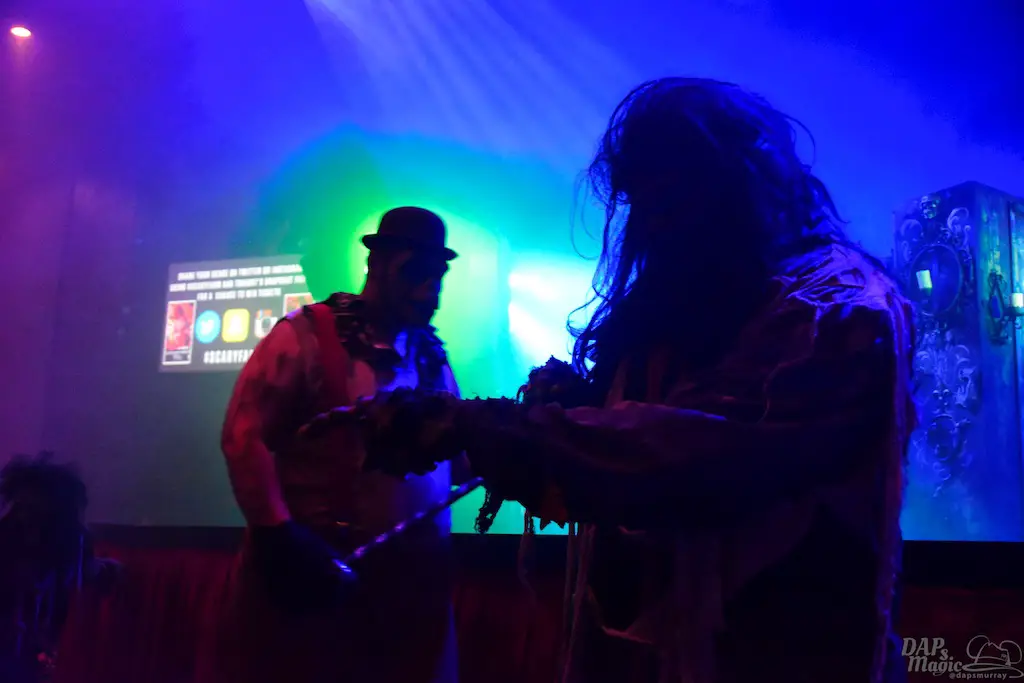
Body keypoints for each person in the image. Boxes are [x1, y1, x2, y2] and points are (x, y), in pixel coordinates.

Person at [356, 79, 914, 683]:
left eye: (670, 196)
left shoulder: (840, 309)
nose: (652, 226)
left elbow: (700, 451)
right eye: (642, 201)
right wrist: (578, 405)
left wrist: (494, 429)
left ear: (735, 182)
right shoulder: (720, 296)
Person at [217, 207, 462, 683]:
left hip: (412, 601)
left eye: (437, 276)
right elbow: (244, 436)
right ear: (377, 264)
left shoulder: (431, 357)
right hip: (318, 586)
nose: (428, 290)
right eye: (415, 272)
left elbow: (460, 461)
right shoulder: (306, 337)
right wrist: (277, 534)